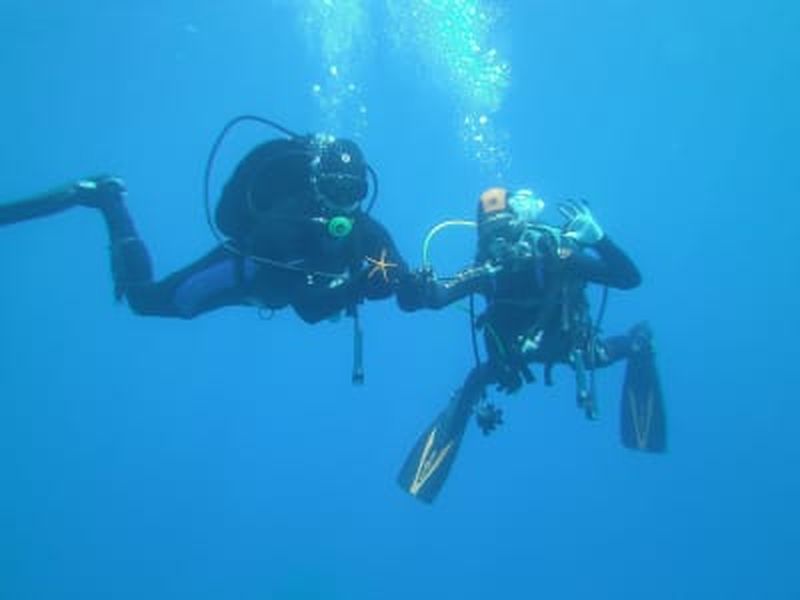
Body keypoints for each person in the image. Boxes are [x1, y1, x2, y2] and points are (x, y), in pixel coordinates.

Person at [0, 127, 409, 380]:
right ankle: (109, 200)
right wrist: (358, 287)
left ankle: (106, 198)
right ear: (317, 183)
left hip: (281, 289)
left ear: (364, 191)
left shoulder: (365, 229)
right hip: (246, 273)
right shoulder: (285, 220)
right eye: (334, 189)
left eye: (352, 192)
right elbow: (306, 305)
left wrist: (417, 286)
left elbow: (397, 274)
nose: (342, 202)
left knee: (150, 304)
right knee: (145, 301)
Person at [396, 187, 666, 503]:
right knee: (476, 380)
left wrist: (599, 240)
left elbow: (629, 279)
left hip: (565, 342)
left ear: (522, 227)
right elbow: (435, 298)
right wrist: (416, 287)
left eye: (507, 233)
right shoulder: (485, 272)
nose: (501, 246)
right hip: (512, 356)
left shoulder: (558, 257)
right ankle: (432, 463)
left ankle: (639, 342)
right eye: (491, 238)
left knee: (597, 356)